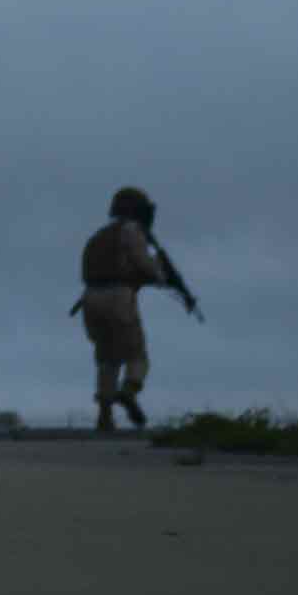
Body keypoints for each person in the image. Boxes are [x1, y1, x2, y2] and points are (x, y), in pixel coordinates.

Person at [73, 185, 199, 432]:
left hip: (90, 299)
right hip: (119, 296)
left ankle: (104, 415)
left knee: (106, 358)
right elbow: (145, 266)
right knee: (136, 354)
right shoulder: (132, 231)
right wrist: (166, 277)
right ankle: (128, 391)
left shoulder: (99, 236)